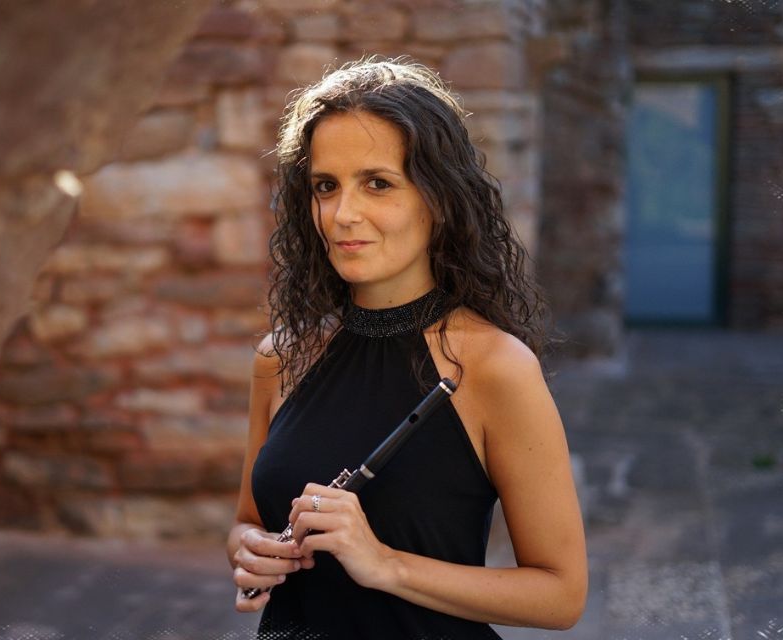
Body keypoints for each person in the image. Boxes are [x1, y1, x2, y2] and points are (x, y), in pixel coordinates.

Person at [227, 57, 588, 639]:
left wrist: (384, 564)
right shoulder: (281, 356)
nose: (344, 215)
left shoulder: (495, 368)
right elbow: (247, 522)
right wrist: (252, 550)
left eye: (378, 183)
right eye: (326, 186)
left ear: (438, 199)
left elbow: (561, 595)